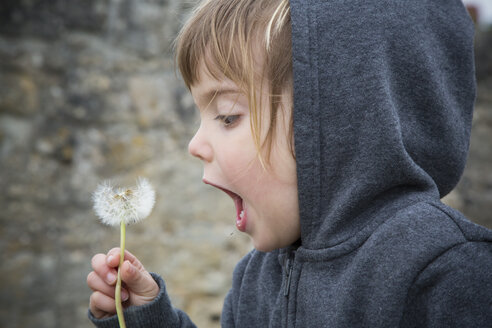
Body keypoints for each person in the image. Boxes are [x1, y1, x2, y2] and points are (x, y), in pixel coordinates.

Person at [87, 0, 492, 326]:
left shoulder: (450, 273)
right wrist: (146, 318)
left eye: (228, 116)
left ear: (340, 119)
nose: (195, 144)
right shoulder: (256, 278)